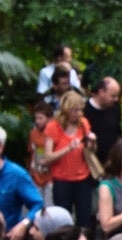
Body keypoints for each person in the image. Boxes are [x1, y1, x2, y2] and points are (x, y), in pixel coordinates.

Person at [36, 90, 98, 232]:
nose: (79, 114)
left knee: (84, 219)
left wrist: (92, 142)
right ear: (66, 110)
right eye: (75, 110)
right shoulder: (53, 127)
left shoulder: (83, 123)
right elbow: (48, 157)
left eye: (81, 110)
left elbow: (90, 150)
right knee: (63, 219)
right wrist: (68, 148)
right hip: (62, 180)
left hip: (82, 177)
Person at [83, 77, 122, 173]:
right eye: (113, 96)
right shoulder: (85, 111)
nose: (116, 99)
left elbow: (118, 132)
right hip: (91, 165)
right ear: (101, 92)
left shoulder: (115, 107)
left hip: (111, 163)